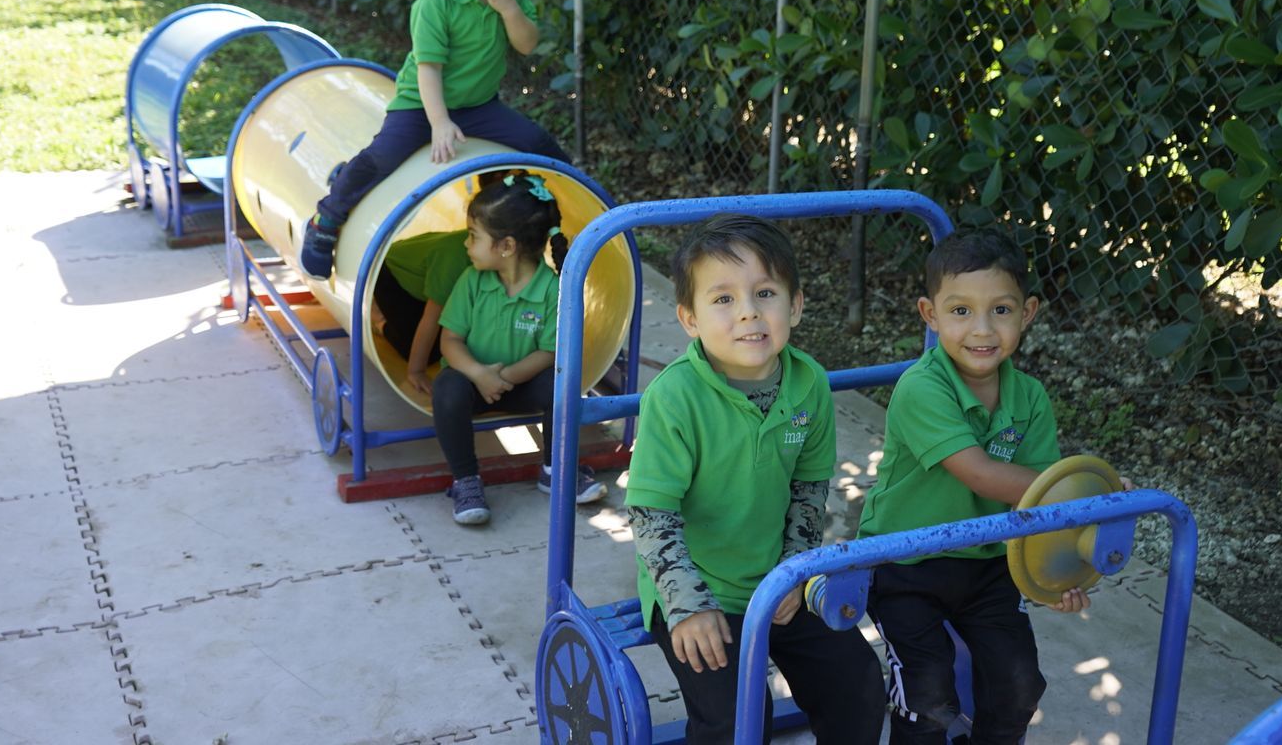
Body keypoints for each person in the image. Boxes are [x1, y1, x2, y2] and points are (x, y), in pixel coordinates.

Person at [626, 215, 885, 744]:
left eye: (764, 292)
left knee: (858, 684)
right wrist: (688, 607)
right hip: (698, 587)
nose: (748, 311)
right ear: (689, 318)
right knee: (737, 720)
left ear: (794, 305)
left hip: (777, 578)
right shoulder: (674, 399)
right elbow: (653, 516)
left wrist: (793, 570)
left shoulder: (809, 382)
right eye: (722, 299)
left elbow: (809, 491)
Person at [856, 226, 1089, 745]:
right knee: (927, 695)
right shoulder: (923, 388)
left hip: (987, 566)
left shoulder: (1028, 398)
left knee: (1018, 685)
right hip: (905, 564)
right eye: (960, 311)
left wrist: (1053, 575)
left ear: (1027, 313)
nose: (982, 329)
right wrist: (1083, 496)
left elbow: (1037, 503)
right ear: (930, 315)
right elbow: (984, 473)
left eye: (1001, 310)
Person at [297, 0, 568, 280]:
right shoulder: (433, 3)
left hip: (478, 106)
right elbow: (429, 70)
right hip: (421, 103)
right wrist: (439, 123)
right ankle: (328, 219)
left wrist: (509, 9)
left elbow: (527, 45)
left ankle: (570, 233)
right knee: (385, 157)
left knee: (542, 149)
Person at [433, 175, 605, 525]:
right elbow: (449, 341)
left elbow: (550, 353)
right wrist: (481, 375)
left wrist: (504, 378)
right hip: (474, 385)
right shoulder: (472, 281)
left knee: (562, 384)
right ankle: (466, 480)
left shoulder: (552, 289)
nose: (466, 245)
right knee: (447, 387)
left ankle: (554, 469)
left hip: (520, 384)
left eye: (473, 236)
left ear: (506, 246)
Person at [376, 226, 471, 397]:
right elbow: (431, 319)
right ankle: (377, 319)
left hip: (425, 274)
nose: (468, 242)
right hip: (390, 271)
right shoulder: (456, 258)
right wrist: (416, 371)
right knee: (418, 349)